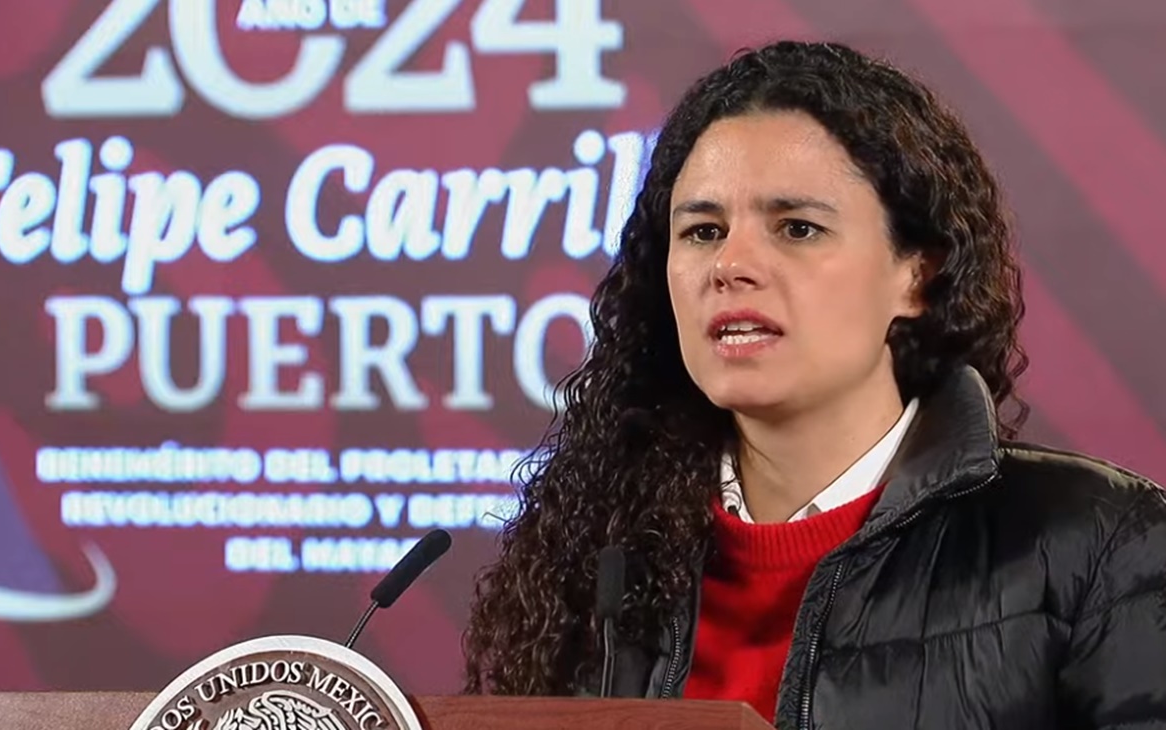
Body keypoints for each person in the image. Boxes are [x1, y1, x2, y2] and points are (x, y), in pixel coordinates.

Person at [462, 40, 1166, 729]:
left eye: (796, 228)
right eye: (702, 231)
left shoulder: (1097, 542)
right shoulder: (606, 560)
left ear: (915, 275)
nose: (731, 265)